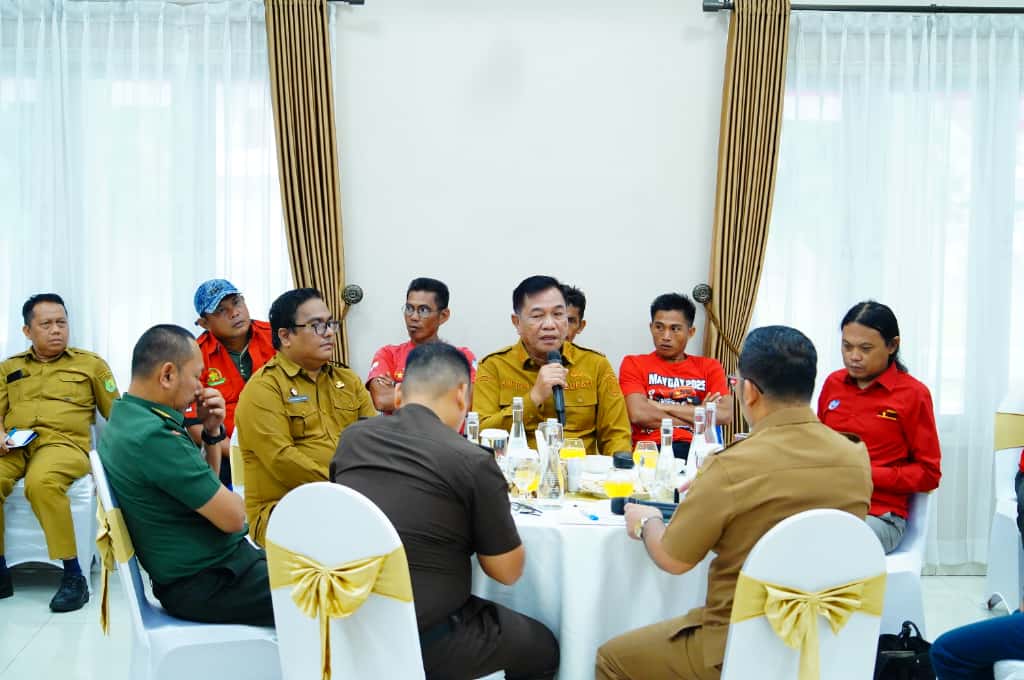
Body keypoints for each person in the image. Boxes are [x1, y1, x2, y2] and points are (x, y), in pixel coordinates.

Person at [595, 326, 872, 680]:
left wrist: (646, 520)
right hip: (826, 634)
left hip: (740, 641)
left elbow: (672, 559)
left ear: (749, 391)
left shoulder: (730, 465)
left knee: (612, 658)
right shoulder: (854, 455)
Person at [332, 342, 559, 679]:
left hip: (349, 619)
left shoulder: (352, 439)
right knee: (542, 648)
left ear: (399, 395)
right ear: (462, 395)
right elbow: (507, 572)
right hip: (427, 638)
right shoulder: (471, 460)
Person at [99, 324, 273, 625]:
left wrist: (212, 432)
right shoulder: (154, 437)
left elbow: (205, 487)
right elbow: (234, 518)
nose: (200, 389)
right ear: (167, 375)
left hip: (205, 571)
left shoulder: (130, 416)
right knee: (331, 591)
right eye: (196, 376)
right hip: (211, 581)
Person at [0, 293, 119, 611]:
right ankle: (0, 571)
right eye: (46, 324)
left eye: (61, 322)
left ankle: (73, 575)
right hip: (14, 445)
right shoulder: (9, 367)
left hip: (63, 445)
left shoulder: (91, 365)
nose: (56, 330)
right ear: (27, 331)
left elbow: (118, 413)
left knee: (42, 484)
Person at [234, 287, 375, 546]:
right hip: (285, 508)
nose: (329, 332)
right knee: (357, 538)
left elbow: (373, 441)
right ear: (285, 336)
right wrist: (347, 489)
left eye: (330, 323)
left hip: (349, 500)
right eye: (316, 325)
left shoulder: (348, 381)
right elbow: (282, 460)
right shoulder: (264, 388)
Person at [817, 301, 941, 554]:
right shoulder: (833, 383)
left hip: (879, 515)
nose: (854, 356)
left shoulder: (913, 394)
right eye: (847, 346)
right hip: (826, 505)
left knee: (829, 545)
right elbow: (819, 445)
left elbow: (929, 473)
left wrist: (864, 473)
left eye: (865, 348)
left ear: (892, 345)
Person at [474, 275, 631, 455]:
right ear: (517, 322)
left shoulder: (595, 365)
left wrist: (617, 467)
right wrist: (533, 398)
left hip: (580, 469)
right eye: (537, 316)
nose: (549, 325)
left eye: (558, 314)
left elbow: (617, 435)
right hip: (519, 470)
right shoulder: (493, 366)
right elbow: (481, 433)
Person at [183, 279, 275, 485]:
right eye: (221, 310)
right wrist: (241, 456)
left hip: (281, 441)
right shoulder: (196, 355)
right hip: (228, 453)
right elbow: (194, 425)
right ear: (204, 323)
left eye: (236, 302)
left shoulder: (275, 337)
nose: (235, 313)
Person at [619, 293, 732, 459]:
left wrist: (659, 406)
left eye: (675, 329)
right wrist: (699, 415)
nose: (665, 336)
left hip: (697, 450)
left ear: (691, 332)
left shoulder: (709, 367)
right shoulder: (634, 363)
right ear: (651, 327)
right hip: (652, 450)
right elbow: (638, 414)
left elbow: (724, 414)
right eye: (659, 327)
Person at [366, 277, 476, 414]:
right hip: (400, 428)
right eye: (409, 308)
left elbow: (466, 402)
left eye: (423, 310)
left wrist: (399, 388)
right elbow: (382, 399)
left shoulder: (461, 357)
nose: (413, 317)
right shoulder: (388, 354)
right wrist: (443, 392)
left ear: (443, 315)